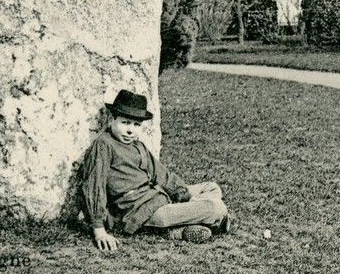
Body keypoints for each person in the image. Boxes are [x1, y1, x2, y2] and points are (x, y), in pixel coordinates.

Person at [80, 89, 235, 251]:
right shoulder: (104, 145)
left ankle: (178, 228)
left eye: (136, 124)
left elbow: (162, 175)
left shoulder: (137, 145)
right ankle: (188, 223)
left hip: (157, 196)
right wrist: (99, 231)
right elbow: (93, 185)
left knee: (212, 187)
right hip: (139, 212)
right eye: (125, 122)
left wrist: (187, 197)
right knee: (216, 208)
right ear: (112, 120)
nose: (130, 130)